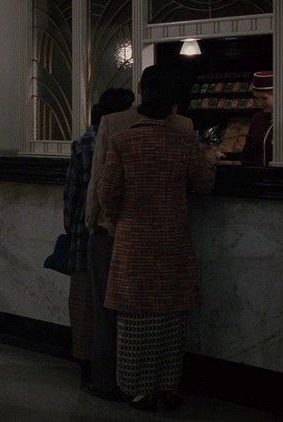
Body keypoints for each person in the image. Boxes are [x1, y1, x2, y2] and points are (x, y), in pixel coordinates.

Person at [97, 72, 216, 412]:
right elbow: (205, 183)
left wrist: (117, 219)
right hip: (173, 239)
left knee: (135, 318)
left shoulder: (122, 141)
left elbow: (107, 192)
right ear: (173, 107)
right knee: (170, 317)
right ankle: (167, 386)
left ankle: (137, 390)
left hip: (133, 240)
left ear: (142, 99)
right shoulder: (184, 141)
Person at [63, 87, 133, 392]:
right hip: (113, 232)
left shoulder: (83, 143)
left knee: (83, 304)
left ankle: (85, 365)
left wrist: (71, 228)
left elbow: (72, 193)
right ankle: (113, 369)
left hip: (83, 234)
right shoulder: (124, 140)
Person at [241, 70, 274, 166]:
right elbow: (248, 154)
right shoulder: (257, 119)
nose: (259, 103)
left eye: (264, 98)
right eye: (256, 98)